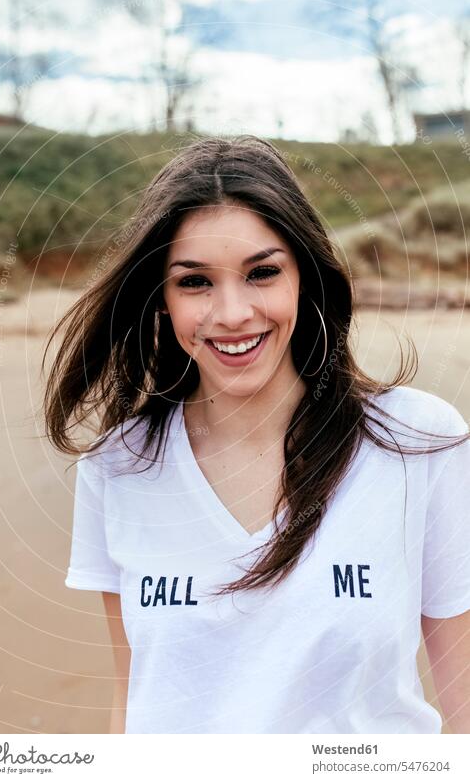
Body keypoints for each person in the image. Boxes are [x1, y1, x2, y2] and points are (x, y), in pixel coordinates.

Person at [43, 135, 470, 735]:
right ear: (161, 299)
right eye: (194, 282)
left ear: (304, 277)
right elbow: (135, 700)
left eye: (262, 272)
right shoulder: (118, 465)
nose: (233, 312)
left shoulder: (420, 442)